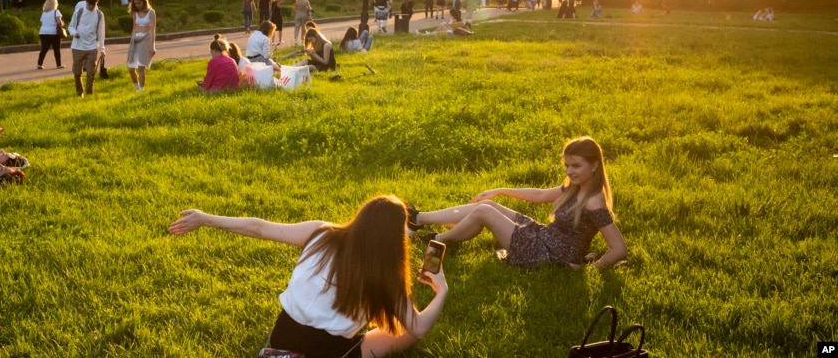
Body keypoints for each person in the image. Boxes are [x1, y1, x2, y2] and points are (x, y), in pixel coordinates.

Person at [168, 195, 449, 358]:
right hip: (330, 353)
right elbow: (419, 327)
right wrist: (442, 291)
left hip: (281, 338)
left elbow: (260, 228)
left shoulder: (321, 232)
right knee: (401, 334)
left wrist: (205, 218)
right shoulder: (387, 275)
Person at [409, 136, 627, 270]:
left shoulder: (594, 201)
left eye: (576, 166)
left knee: (484, 211)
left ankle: (434, 241)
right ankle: (417, 218)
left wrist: (587, 270)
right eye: (567, 165)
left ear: (595, 166)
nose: (569, 171)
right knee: (487, 206)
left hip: (547, 256)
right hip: (543, 238)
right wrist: (501, 191)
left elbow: (618, 249)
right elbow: (541, 195)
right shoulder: (575, 187)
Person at [68, 0, 107, 97]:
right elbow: (71, 26)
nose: (91, 7)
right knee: (77, 72)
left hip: (92, 47)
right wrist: (74, 32)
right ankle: (79, 92)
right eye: (89, 4)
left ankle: (89, 93)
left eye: (93, 5)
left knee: (91, 73)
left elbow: (101, 33)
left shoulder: (99, 14)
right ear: (86, 2)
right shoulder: (79, 11)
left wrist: (102, 49)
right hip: (77, 46)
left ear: (97, 3)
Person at [126, 0, 157, 92]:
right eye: (135, 3)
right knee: (131, 68)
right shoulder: (135, 13)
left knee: (141, 67)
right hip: (136, 40)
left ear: (144, 2)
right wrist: (132, 41)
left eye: (139, 3)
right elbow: (134, 27)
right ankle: (136, 86)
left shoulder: (151, 12)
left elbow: (152, 30)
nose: (137, 5)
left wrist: (152, 46)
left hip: (146, 40)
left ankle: (141, 90)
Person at [37, 0, 65, 70]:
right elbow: (59, 22)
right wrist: (62, 23)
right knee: (56, 49)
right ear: (55, 4)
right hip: (53, 32)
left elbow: (42, 21)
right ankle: (58, 64)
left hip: (43, 32)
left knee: (44, 48)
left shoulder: (44, 13)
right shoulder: (56, 12)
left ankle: (39, 64)